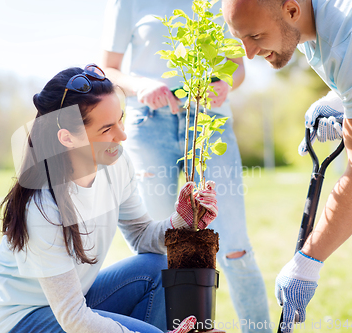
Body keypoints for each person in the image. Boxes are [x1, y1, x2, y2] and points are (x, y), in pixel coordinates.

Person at [0, 65, 219, 333]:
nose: (122, 136)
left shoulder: (116, 164)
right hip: (18, 319)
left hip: (73, 304)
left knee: (157, 267)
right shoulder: (42, 207)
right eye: (106, 129)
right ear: (67, 138)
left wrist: (182, 219)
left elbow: (141, 236)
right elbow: (74, 319)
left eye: (120, 119)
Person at [100, 1, 271, 332]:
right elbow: (108, 69)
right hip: (149, 125)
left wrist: (223, 82)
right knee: (161, 250)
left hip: (210, 123)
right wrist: (141, 86)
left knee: (235, 247)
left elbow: (237, 65)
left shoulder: (224, 4)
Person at [221, 0, 352, 331]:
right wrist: (337, 100)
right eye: (241, 39)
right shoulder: (309, 32)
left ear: (291, 10)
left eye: (255, 36)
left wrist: (308, 263)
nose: (248, 53)